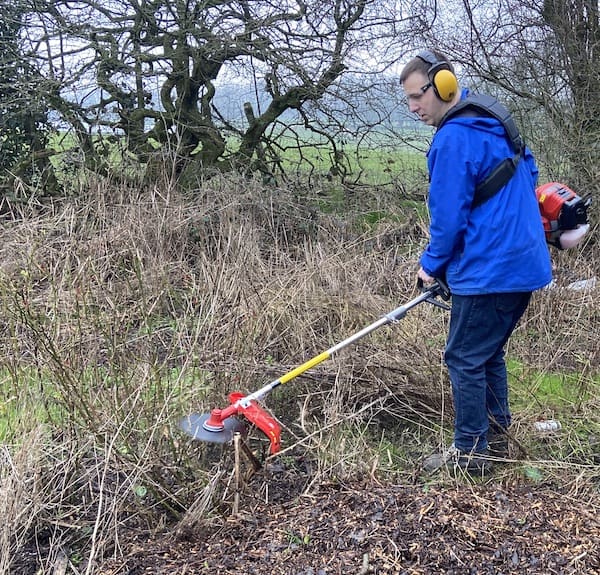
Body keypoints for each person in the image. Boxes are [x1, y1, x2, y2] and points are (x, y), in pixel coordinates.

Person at [399, 50, 552, 475]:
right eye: (408, 101)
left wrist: (430, 265)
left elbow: (447, 219)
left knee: (463, 356)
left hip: (489, 271)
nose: (414, 108)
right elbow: (531, 172)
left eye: (417, 97)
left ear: (443, 85)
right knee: (487, 354)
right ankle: (499, 439)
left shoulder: (451, 139)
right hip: (524, 268)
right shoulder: (496, 119)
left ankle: (469, 454)